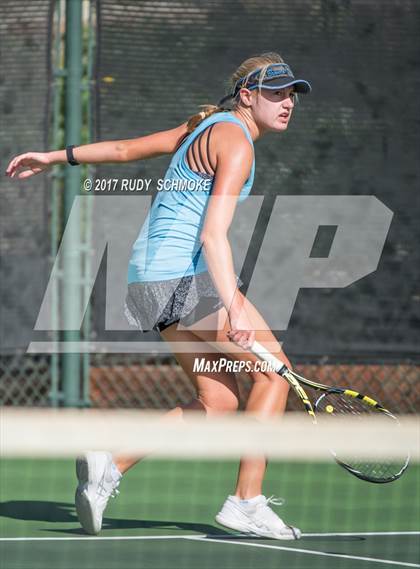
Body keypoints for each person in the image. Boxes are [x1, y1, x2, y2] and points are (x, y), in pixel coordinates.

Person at [6, 52, 311, 540]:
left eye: (291, 93)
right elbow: (214, 235)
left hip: (146, 281)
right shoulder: (235, 141)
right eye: (275, 93)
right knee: (274, 375)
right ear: (247, 96)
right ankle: (247, 501)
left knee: (218, 400)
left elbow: (126, 151)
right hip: (180, 278)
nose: (287, 102)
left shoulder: (202, 126)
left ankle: (110, 464)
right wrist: (233, 306)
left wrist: (55, 156)